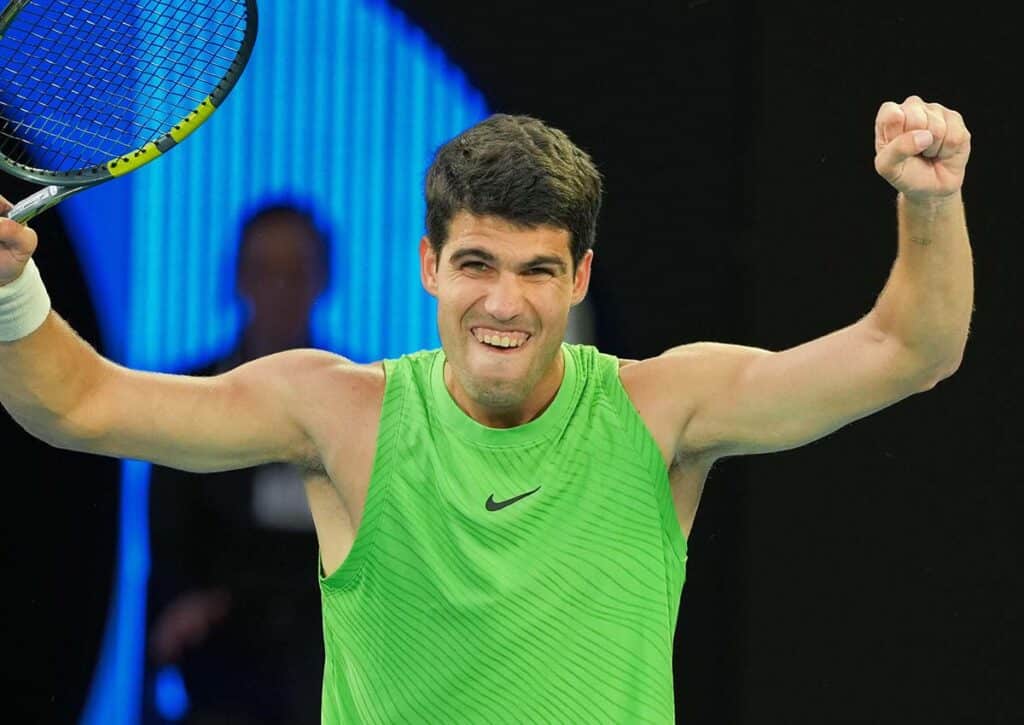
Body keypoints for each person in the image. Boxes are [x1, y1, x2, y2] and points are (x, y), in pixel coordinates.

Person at [0, 95, 972, 722]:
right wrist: (10, 291)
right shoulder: (339, 410)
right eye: (475, 264)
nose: (503, 303)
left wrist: (929, 202)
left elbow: (907, 351)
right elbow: (80, 405)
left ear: (579, 274)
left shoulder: (663, 406)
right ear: (428, 264)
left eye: (536, 270)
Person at [142, 202, 330, 724]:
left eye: (297, 272)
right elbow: (169, 542)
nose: (281, 289)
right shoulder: (187, 400)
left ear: (324, 278)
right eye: (265, 272)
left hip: (328, 661)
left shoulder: (363, 403)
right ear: (239, 279)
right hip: (218, 665)